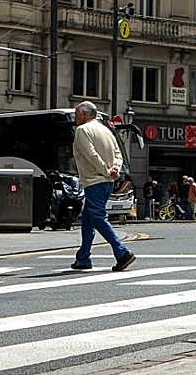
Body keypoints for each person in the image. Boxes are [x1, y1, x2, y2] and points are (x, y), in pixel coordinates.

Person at [70, 101, 135, 272]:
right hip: (107, 181)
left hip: (94, 180)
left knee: (98, 217)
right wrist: (115, 169)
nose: (75, 118)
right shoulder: (106, 130)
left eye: (77, 114)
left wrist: (106, 171)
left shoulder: (82, 130)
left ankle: (122, 252)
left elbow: (91, 154)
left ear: (85, 114)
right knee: (88, 219)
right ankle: (83, 257)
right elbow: (118, 153)